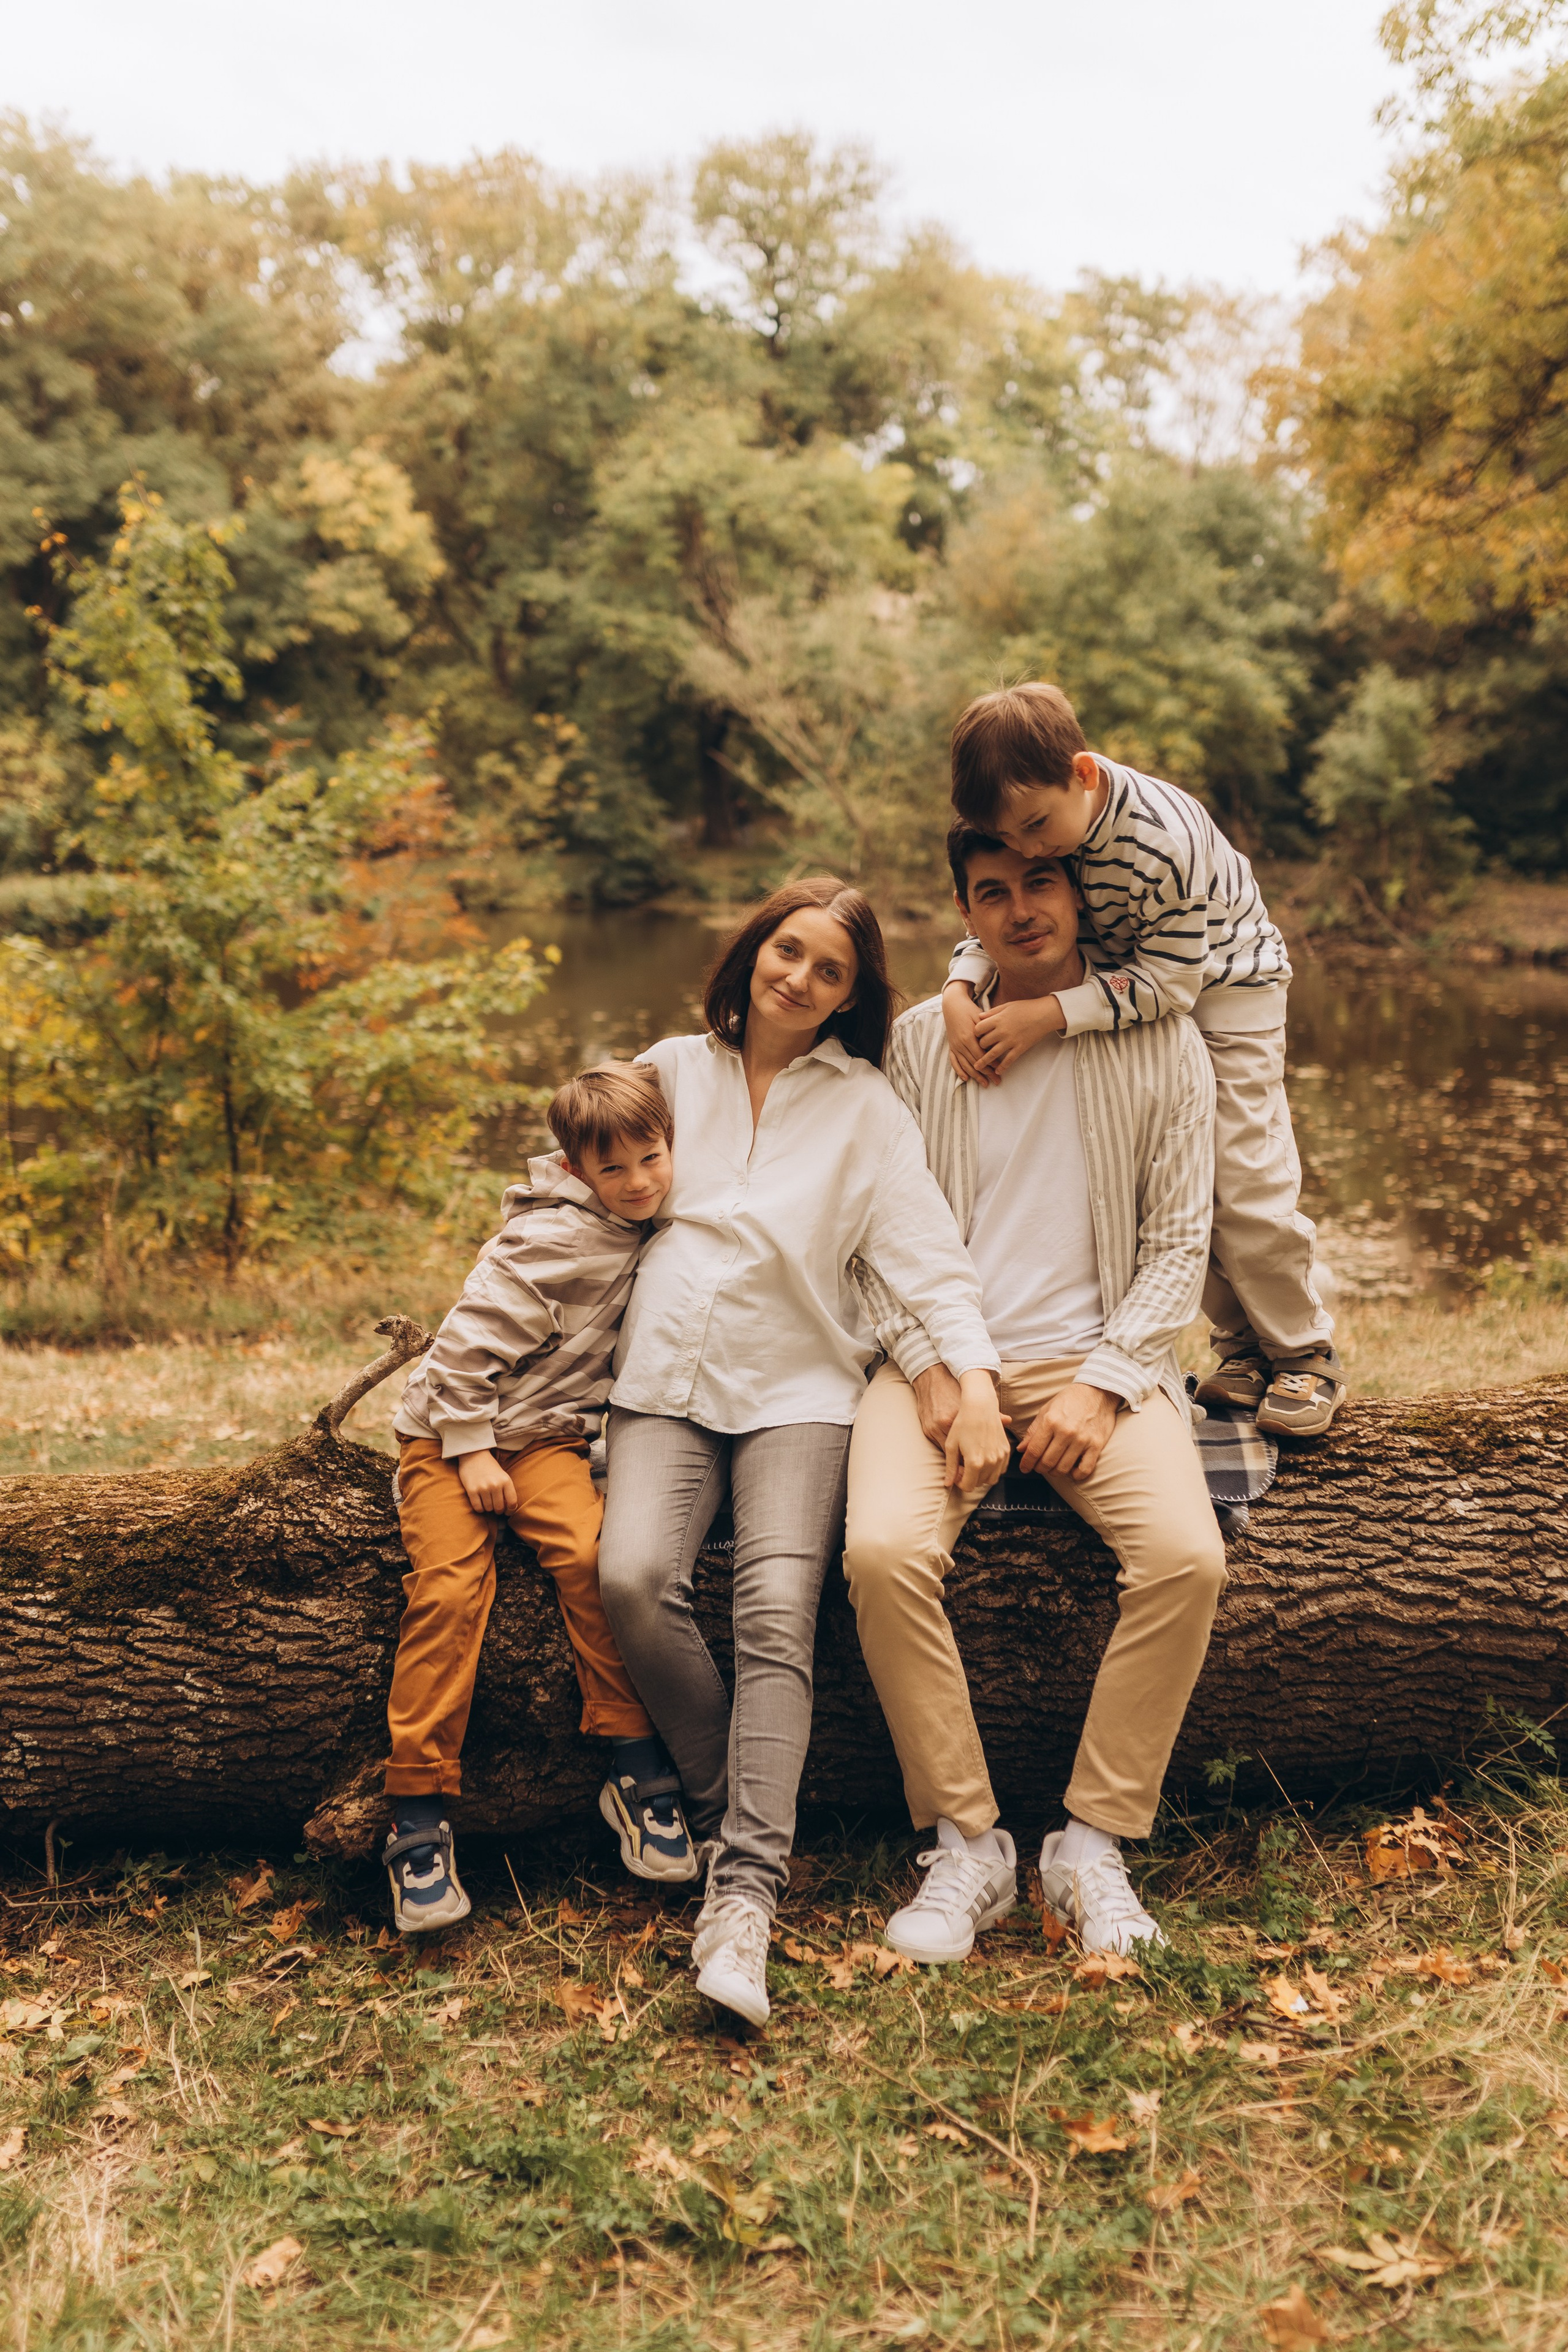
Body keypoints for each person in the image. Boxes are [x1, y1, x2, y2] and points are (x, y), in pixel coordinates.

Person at [597, 877, 1011, 2028]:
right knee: (632, 1576)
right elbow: (579, 1192)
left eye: (831, 971)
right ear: (754, 949)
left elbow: (924, 1259)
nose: (800, 979)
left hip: (799, 1394)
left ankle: (744, 1898)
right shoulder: (670, 1070)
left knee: (778, 1607)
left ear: (849, 997)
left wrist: (970, 1377)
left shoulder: (868, 1106)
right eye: (789, 952)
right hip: (664, 1385)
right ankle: (737, 1803)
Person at [847, 826, 1226, 1962]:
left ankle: (1092, 1843)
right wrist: (937, 1371)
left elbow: (1180, 1247)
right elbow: (872, 1235)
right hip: (939, 1360)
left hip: (1097, 1356)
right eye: (993, 893)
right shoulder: (923, 1043)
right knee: (880, 1553)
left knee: (1187, 1560)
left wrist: (1106, 1388)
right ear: (966, 909)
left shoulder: (1163, 1043)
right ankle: (970, 1843)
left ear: (1078, 890)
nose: (1021, 911)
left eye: (1041, 883)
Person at [938, 682, 1344, 1439]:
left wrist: (1046, 1014)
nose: (1028, 849)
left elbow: (1171, 984)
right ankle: (1240, 1347)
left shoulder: (1163, 841)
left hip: (1223, 986)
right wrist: (964, 981)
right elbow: (1017, 910)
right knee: (1171, 1177)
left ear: (1083, 774)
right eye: (1010, 837)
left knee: (1241, 1171)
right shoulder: (1048, 832)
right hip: (1128, 981)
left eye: (1033, 828)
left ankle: (1303, 1350)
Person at [382, 1064, 696, 1934]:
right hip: (453, 1439)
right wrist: (471, 1451)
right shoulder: (551, 1241)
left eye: (652, 1157)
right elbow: (456, 1357)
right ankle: (416, 1814)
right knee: (450, 1592)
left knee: (598, 1564)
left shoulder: (649, 1219)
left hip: (549, 1441)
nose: (638, 1181)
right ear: (575, 1170)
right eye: (614, 1170)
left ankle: (633, 1764)